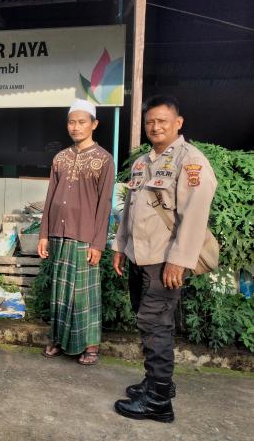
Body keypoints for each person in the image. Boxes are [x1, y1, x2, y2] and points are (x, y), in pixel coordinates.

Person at [112, 95, 216, 423]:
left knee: (156, 326)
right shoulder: (143, 162)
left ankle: (158, 402)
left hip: (164, 260)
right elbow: (130, 210)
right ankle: (155, 383)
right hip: (139, 256)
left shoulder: (191, 161)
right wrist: (120, 246)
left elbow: (195, 215)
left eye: (162, 121)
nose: (155, 127)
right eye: (150, 122)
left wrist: (179, 260)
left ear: (178, 123)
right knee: (149, 322)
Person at [37, 99, 115, 365]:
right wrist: (44, 234)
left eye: (82, 122)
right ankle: (59, 339)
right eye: (72, 122)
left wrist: (98, 243)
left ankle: (90, 346)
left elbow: (105, 204)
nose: (76, 127)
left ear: (94, 124)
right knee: (60, 292)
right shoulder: (60, 158)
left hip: (85, 237)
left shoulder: (103, 159)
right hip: (58, 234)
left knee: (84, 295)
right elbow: (50, 197)